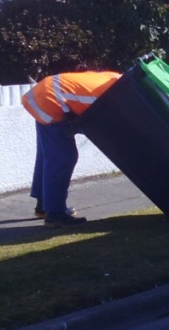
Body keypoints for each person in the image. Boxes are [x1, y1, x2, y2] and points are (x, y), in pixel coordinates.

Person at [21, 70, 121, 228]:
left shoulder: (115, 79)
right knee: (62, 158)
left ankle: (44, 206)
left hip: (45, 93)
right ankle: (55, 215)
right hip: (49, 100)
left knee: (48, 155)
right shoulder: (116, 95)